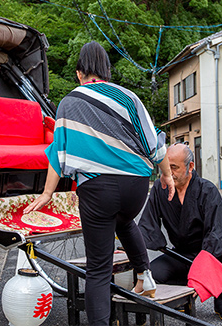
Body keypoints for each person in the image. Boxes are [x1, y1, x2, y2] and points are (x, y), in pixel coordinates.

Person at [24, 41, 175, 326]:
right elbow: (155, 143)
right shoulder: (129, 98)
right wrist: (166, 175)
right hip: (136, 187)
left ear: (80, 73)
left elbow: (58, 150)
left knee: (98, 269)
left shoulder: (70, 102)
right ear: (107, 71)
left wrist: (46, 193)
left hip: (98, 190)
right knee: (125, 221)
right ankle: (145, 275)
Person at [138, 143, 222, 322]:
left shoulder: (207, 190)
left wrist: (202, 265)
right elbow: (148, 225)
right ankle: (184, 295)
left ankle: (221, 299)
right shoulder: (159, 188)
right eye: (166, 167)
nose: (169, 173)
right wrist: (130, 245)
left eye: (174, 168)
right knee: (152, 274)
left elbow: (219, 231)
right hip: (180, 255)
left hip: (208, 255)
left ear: (190, 167)